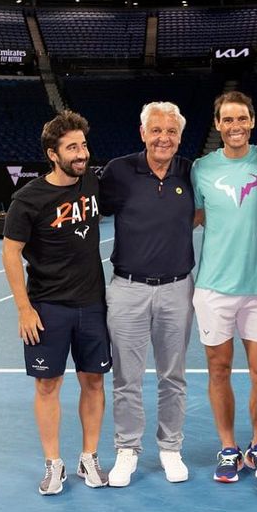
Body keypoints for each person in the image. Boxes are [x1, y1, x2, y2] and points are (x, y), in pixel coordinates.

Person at [1, 110, 111, 495]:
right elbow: (10, 253)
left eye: (83, 145)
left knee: (93, 381)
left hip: (92, 304)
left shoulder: (93, 181)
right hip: (47, 308)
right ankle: (53, 463)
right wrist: (23, 308)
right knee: (48, 385)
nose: (81, 154)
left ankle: (89, 457)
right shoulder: (27, 199)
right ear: (53, 153)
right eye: (72, 148)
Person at [99, 101, 195, 487]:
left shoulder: (190, 172)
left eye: (171, 131)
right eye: (156, 130)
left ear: (179, 136)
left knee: (174, 376)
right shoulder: (119, 171)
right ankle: (127, 449)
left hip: (177, 289)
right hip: (127, 289)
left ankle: (170, 448)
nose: (163, 138)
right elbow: (88, 212)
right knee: (127, 377)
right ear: (143, 133)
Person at [190, 92, 257, 483]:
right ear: (217, 124)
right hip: (213, 288)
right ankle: (228, 447)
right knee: (218, 369)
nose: (235, 126)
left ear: (252, 121)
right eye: (227, 120)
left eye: (241, 118)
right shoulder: (200, 169)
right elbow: (189, 217)